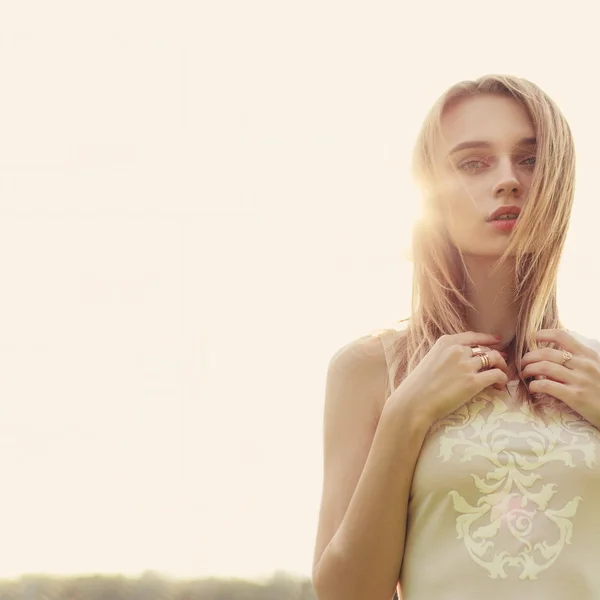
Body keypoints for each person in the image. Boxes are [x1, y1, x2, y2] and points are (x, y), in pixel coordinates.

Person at [310, 74, 600, 600]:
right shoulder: (370, 368)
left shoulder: (595, 369)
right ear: (431, 192)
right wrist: (405, 416)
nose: (509, 180)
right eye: (474, 162)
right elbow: (349, 594)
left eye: (530, 159)